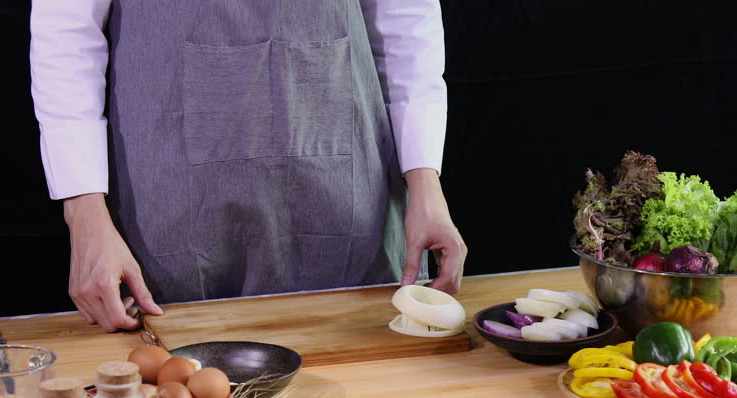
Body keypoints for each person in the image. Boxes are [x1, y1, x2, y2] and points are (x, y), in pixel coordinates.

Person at [30, 0, 467, 332]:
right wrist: (83, 213)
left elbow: (406, 19)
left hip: (344, 186)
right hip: (165, 194)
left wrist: (425, 182)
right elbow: (67, 34)